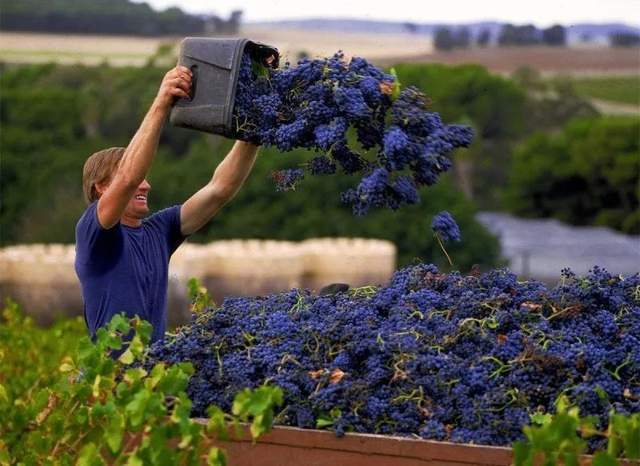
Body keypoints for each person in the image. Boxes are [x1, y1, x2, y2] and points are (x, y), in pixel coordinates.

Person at [74, 65, 259, 345]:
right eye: (139, 179)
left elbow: (219, 189)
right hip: (113, 383)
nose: (146, 185)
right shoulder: (95, 234)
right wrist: (162, 103)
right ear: (101, 188)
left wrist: (252, 133)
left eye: (146, 179)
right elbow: (127, 178)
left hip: (155, 379)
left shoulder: (159, 231)